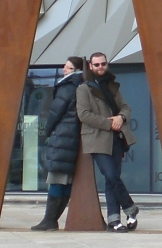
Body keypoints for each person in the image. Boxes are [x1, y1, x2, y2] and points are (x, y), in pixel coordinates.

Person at [77, 51, 140, 231]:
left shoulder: (112, 85)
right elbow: (83, 115)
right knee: (110, 176)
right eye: (96, 65)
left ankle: (114, 220)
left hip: (116, 138)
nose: (100, 67)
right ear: (90, 66)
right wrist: (109, 124)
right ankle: (131, 208)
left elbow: (125, 107)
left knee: (112, 180)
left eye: (103, 64)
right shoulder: (84, 88)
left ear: (107, 64)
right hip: (97, 139)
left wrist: (121, 117)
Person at [31, 56, 86, 231]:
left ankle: (49, 220)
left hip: (62, 135)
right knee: (65, 181)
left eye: (68, 67)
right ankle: (52, 220)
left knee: (55, 178)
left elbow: (55, 112)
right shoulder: (81, 86)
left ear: (76, 70)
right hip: (73, 136)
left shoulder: (67, 87)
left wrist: (46, 132)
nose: (64, 69)